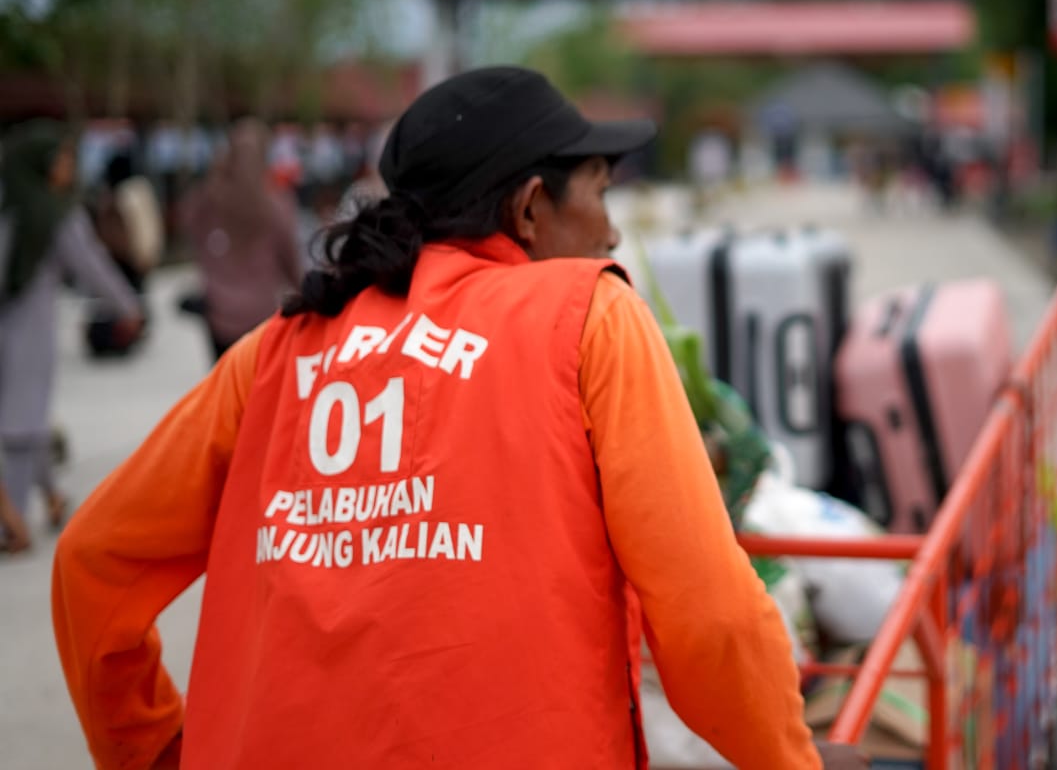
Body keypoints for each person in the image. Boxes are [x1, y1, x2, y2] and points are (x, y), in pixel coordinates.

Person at [52, 67, 867, 769]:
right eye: (602, 194)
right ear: (528, 208)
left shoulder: (274, 355)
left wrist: (160, 751)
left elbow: (92, 567)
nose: (614, 231)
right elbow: (709, 614)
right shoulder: (586, 318)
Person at [0, 120, 143, 546]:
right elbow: (91, 265)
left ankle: (52, 495)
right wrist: (128, 308)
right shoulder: (54, 214)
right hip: (28, 334)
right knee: (23, 422)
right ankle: (13, 520)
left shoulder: (9, 203)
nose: (69, 167)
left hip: (12, 328)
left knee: (26, 417)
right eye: (63, 159)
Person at [178, 118, 303, 361]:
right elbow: (291, 262)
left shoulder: (212, 200)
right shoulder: (275, 205)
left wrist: (216, 173)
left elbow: (188, 223)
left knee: (225, 386)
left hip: (219, 314)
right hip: (261, 315)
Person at [84, 149, 164, 357]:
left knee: (122, 300)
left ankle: (121, 338)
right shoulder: (141, 190)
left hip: (124, 257)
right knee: (131, 298)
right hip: (137, 256)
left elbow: (123, 230)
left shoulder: (122, 194)